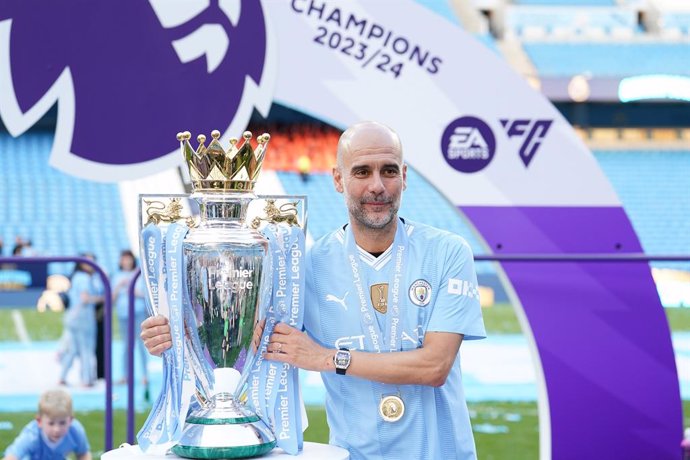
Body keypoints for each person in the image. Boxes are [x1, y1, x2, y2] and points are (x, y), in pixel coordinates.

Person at [141, 121, 486, 459]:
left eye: (389, 171)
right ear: (338, 179)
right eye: (362, 172)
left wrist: (325, 358)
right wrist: (181, 335)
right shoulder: (305, 267)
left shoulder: (448, 253)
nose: (377, 186)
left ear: (405, 177)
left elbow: (434, 367)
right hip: (354, 456)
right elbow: (253, 347)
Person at [2, 388, 91, 460]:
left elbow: (83, 454)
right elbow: (12, 457)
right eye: (51, 423)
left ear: (71, 420)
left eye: (62, 423)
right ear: (39, 421)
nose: (57, 429)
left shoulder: (75, 431)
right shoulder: (31, 435)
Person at [59, 254, 102, 387]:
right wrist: (102, 299)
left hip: (72, 316)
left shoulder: (77, 277)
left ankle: (62, 377)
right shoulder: (84, 278)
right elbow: (85, 298)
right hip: (83, 317)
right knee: (86, 349)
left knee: (72, 349)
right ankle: (86, 379)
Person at [111, 249, 148, 385]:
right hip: (123, 315)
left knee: (142, 345)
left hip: (138, 313)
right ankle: (125, 375)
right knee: (126, 346)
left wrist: (134, 291)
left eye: (128, 258)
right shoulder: (116, 276)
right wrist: (119, 286)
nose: (126, 261)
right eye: (124, 259)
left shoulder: (139, 274)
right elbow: (112, 299)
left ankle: (145, 375)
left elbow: (146, 295)